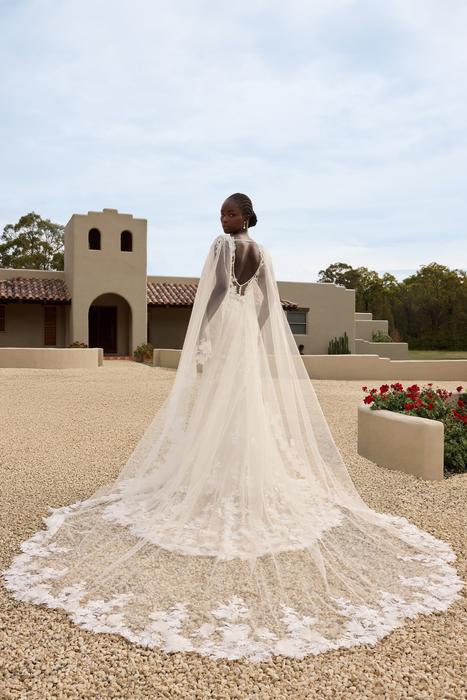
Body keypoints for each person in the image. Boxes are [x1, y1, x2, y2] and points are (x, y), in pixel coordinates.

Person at [2, 193, 463, 662]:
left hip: (226, 326)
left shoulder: (223, 248)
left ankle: (218, 474)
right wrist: (252, 325)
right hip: (244, 332)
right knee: (243, 400)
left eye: (230, 212)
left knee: (221, 400)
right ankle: (237, 473)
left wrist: (202, 324)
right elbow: (268, 304)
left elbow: (218, 291)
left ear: (245, 216)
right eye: (221, 212)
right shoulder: (262, 252)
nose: (223, 218)